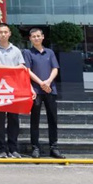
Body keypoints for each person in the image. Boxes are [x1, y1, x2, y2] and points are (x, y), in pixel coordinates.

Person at [0, 23, 30, 159]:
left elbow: (22, 67)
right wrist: (15, 68)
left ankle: (13, 148)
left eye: (5, 32)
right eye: (0, 32)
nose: (3, 34)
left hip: (13, 88)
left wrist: (12, 69)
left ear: (9, 33)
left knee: (14, 119)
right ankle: (2, 148)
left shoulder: (16, 50)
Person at [23, 28, 64, 159]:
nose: (36, 38)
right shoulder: (27, 52)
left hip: (50, 89)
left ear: (43, 37)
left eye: (38, 36)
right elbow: (27, 71)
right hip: (36, 90)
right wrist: (41, 83)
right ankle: (35, 147)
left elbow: (55, 68)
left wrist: (48, 81)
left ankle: (54, 147)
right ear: (30, 39)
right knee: (35, 120)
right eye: (33, 36)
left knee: (53, 119)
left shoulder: (49, 52)